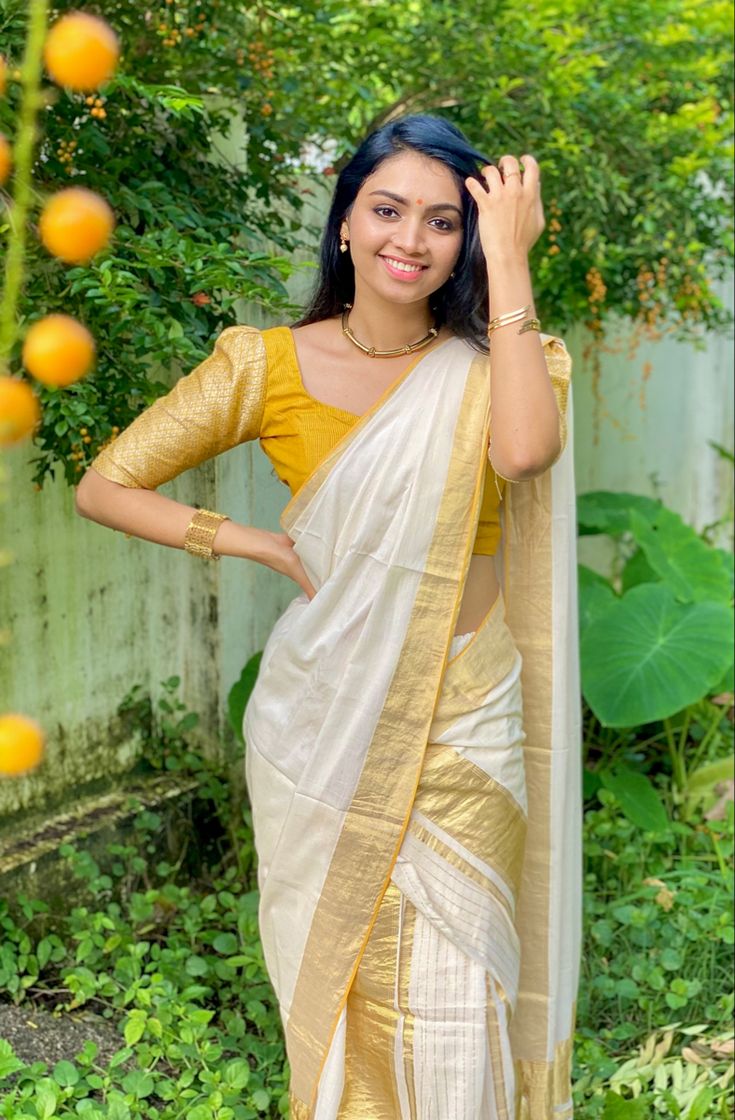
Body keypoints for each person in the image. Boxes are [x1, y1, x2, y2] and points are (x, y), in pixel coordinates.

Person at [76, 114, 582, 1120]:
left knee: (457, 980)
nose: (412, 237)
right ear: (345, 220)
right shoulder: (264, 363)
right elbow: (107, 483)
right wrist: (249, 540)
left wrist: (510, 264)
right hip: (324, 720)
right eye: (388, 209)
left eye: (444, 221)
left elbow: (524, 454)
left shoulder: (501, 367)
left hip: (468, 711)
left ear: (467, 243)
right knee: (344, 975)